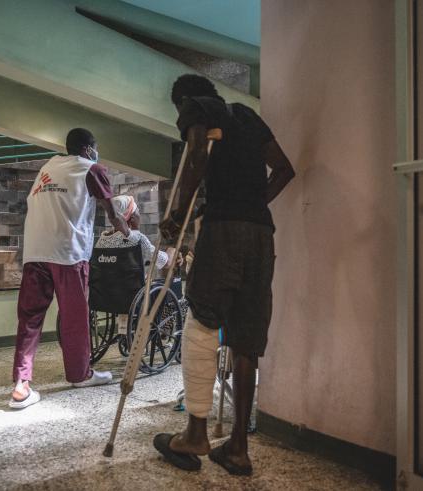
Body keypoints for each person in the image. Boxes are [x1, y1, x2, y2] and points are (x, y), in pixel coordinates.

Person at [153, 75, 295, 475]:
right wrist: (249, 204)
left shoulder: (195, 106)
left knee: (203, 320)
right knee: (245, 337)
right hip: (261, 235)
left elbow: (197, 156)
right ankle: (237, 448)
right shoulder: (247, 116)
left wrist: (177, 213)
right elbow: (284, 169)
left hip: (224, 234)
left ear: (181, 100)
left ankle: (196, 433)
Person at [10, 128, 130, 409]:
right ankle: (80, 374)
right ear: (89, 149)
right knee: (74, 317)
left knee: (29, 319)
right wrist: (124, 228)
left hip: (35, 253)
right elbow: (111, 210)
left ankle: (21, 385)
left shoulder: (48, 167)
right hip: (68, 253)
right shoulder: (92, 168)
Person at [94, 194, 180, 273]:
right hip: (131, 289)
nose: (140, 215)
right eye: (138, 211)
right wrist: (172, 250)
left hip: (105, 289)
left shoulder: (101, 241)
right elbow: (166, 262)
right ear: (132, 218)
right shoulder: (137, 239)